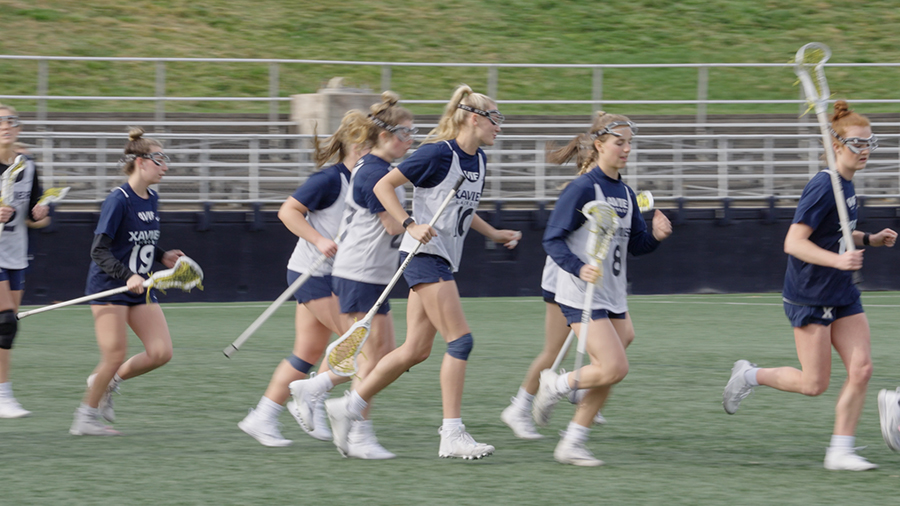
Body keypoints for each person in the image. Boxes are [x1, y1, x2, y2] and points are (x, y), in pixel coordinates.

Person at [325, 84, 521, 460]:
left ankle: (349, 405)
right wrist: (409, 222)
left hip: (444, 257)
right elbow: (384, 185)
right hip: (423, 256)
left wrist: (494, 233)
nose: (500, 126)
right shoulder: (437, 153)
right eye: (495, 119)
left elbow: (461, 211)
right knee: (460, 341)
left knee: (415, 350)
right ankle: (452, 433)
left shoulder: (478, 159)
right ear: (474, 119)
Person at [723, 100, 897, 471]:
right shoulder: (823, 186)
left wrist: (869, 240)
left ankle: (840, 450)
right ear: (836, 146)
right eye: (857, 144)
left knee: (862, 369)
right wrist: (840, 260)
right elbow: (794, 243)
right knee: (813, 384)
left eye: (869, 143)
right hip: (810, 294)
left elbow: (839, 234)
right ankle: (749, 374)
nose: (864, 150)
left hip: (842, 291)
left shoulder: (847, 186)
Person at [531, 112, 672, 466]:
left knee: (616, 357)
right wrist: (579, 267)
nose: (626, 149)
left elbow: (635, 245)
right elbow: (552, 238)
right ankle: (556, 385)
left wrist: (655, 236)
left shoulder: (625, 191)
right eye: (619, 142)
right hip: (581, 292)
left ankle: (572, 442)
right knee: (614, 367)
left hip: (612, 294)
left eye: (629, 143)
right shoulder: (583, 188)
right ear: (599, 145)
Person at [292, 91, 415, 459]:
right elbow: (393, 226)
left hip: (373, 274)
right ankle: (358, 434)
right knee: (371, 361)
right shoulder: (374, 172)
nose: (411, 141)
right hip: (359, 272)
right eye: (407, 133)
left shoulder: (381, 171)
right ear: (388, 136)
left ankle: (315, 390)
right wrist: (422, 215)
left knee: (385, 355)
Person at [238, 110, 371, 447]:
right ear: (357, 145)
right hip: (313, 274)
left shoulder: (368, 180)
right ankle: (316, 400)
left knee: (307, 352)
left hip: (336, 276)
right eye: (373, 143)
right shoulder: (330, 179)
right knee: (360, 346)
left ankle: (263, 417)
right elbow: (288, 211)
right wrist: (319, 240)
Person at [69, 127, 186, 436]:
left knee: (161, 352)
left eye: (166, 160)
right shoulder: (118, 200)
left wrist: (163, 256)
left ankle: (107, 383)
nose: (166, 166)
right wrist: (128, 275)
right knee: (114, 354)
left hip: (140, 286)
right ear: (140, 161)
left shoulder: (152, 199)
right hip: (111, 286)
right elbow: (99, 250)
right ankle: (85, 419)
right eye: (160, 159)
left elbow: (136, 241)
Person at [500, 256, 606, 440]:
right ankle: (519, 408)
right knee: (556, 350)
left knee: (611, 342)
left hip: (592, 278)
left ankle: (583, 389)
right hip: (565, 277)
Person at [0, 106, 50, 418]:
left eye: (10, 121)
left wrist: (40, 214)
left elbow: (34, 218)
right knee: (5, 321)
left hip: (15, 254)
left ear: (19, 129)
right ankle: (4, 396)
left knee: (7, 327)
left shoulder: (27, 167)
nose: (5, 125)